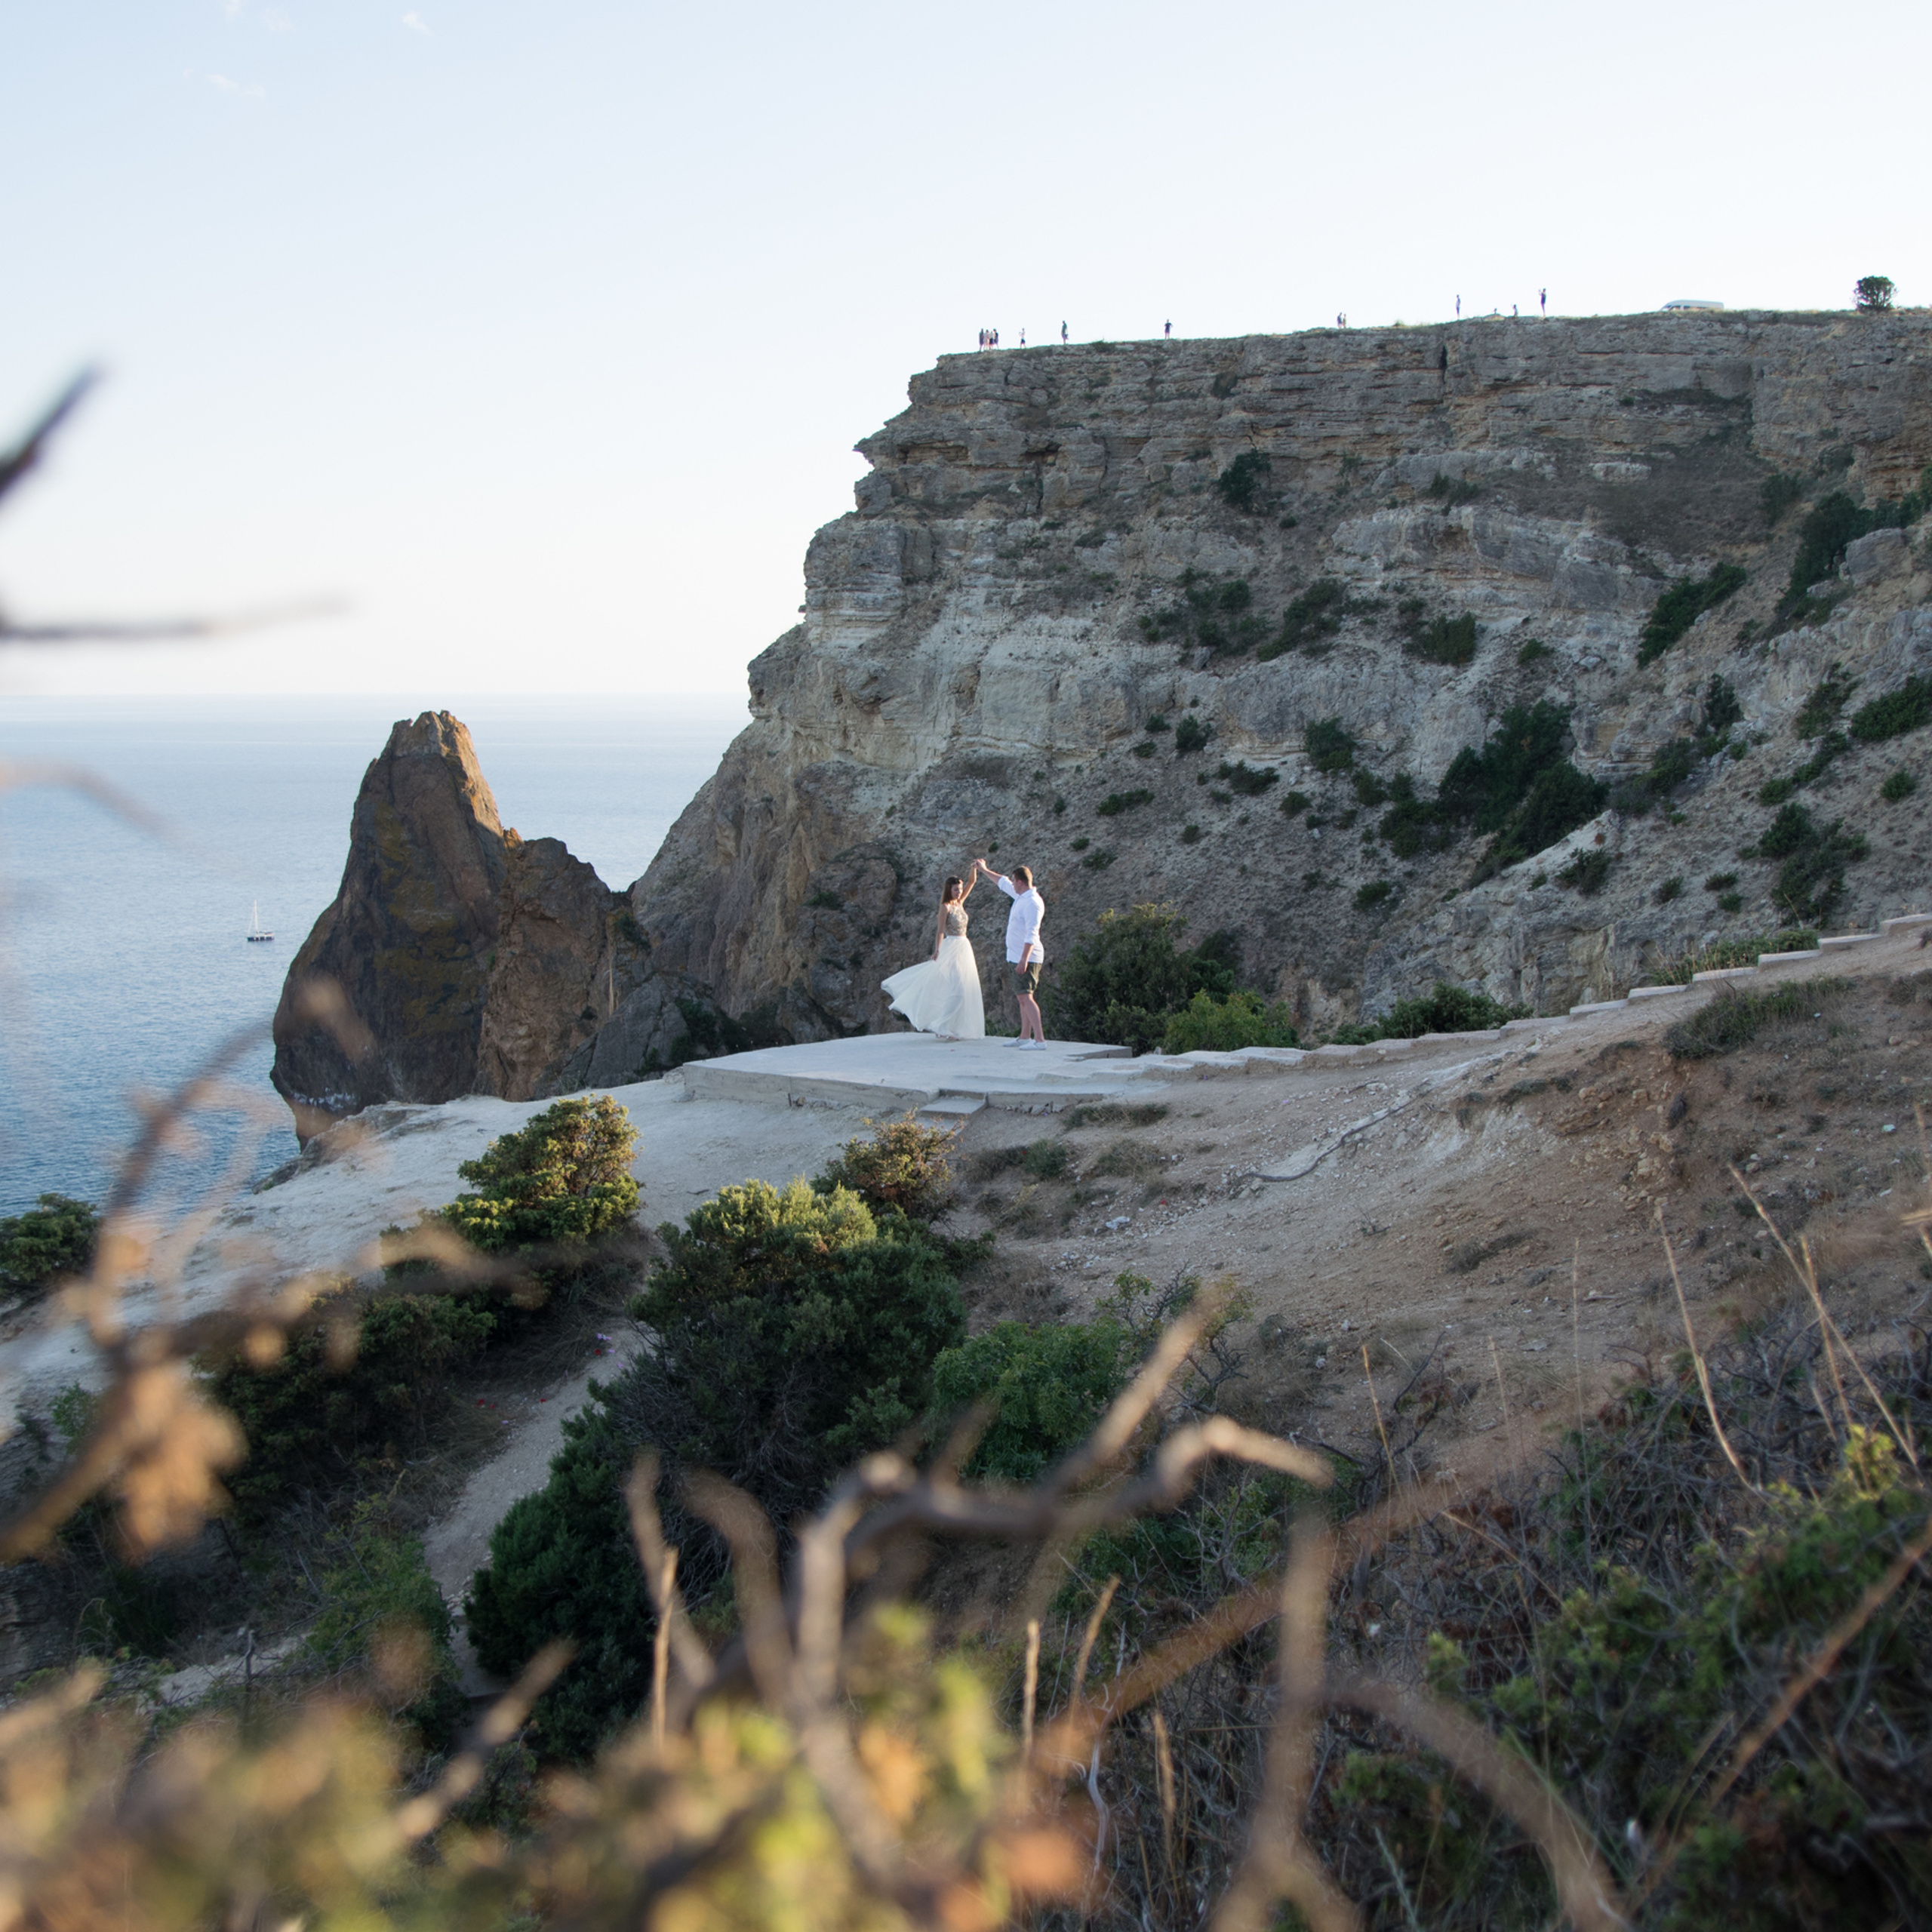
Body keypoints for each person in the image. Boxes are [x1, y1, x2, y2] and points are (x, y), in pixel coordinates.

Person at [881, 873, 984, 1039]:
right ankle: (941, 1025)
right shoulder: (946, 907)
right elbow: (940, 931)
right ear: (949, 890)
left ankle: (948, 1026)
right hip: (951, 948)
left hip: (964, 946)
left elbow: (972, 881)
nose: (959, 892)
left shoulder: (960, 903)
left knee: (960, 989)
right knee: (958, 990)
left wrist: (975, 868)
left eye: (960, 889)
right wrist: (937, 950)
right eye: (956, 889)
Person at [977, 857, 1046, 1048]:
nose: (1012, 884)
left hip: (1027, 957)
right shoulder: (1021, 897)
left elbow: (1032, 933)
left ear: (1021, 882)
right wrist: (984, 870)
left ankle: (1039, 1039)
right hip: (1016, 956)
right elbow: (1002, 883)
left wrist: (1024, 959)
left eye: (1015, 881)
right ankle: (1025, 1036)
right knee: (1022, 996)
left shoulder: (1032, 902)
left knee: (1026, 996)